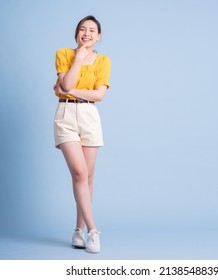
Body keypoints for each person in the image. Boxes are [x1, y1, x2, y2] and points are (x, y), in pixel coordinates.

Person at [53, 15, 111, 254]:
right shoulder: (64, 54)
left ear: (99, 36)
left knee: (87, 177)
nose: (87, 33)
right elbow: (65, 86)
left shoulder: (104, 60)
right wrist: (78, 57)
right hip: (66, 116)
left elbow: (98, 96)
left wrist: (68, 90)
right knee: (79, 171)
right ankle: (93, 230)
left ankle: (78, 230)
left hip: (89, 117)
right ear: (76, 33)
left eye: (92, 30)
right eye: (82, 29)